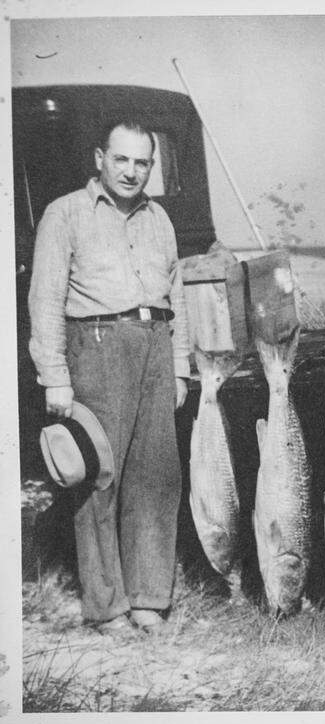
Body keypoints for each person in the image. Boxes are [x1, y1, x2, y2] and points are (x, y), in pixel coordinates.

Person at [28, 119, 191, 635]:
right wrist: (54, 375)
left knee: (156, 477)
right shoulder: (65, 213)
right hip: (95, 346)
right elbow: (46, 300)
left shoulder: (159, 218)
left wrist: (180, 365)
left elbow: (177, 297)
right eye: (121, 159)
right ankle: (107, 606)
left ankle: (148, 598)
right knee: (99, 476)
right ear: (100, 157)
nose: (131, 171)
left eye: (142, 162)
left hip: (155, 346)